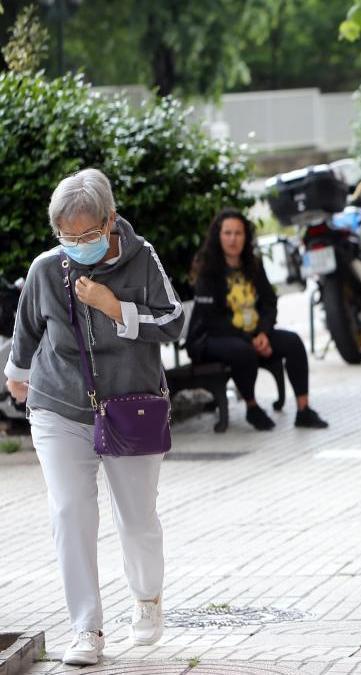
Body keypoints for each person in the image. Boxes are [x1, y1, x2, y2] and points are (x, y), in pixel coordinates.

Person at [4, 168, 184, 665]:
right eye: (67, 235)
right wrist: (17, 373)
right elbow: (27, 328)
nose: (77, 244)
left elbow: (174, 322)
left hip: (131, 406)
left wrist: (116, 307)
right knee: (70, 512)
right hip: (59, 405)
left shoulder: (141, 257)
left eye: (87, 234)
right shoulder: (47, 267)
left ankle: (147, 600)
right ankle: (86, 628)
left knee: (138, 518)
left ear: (109, 220)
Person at [187, 209, 328, 431]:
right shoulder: (207, 268)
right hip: (211, 338)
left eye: (238, 233)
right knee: (242, 350)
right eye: (227, 233)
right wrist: (249, 339)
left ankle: (304, 410)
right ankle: (252, 407)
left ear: (246, 236)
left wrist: (262, 332)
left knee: (293, 343)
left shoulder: (252, 264)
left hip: (253, 334)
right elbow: (212, 318)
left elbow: (269, 302)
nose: (233, 239)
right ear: (218, 235)